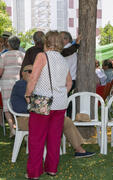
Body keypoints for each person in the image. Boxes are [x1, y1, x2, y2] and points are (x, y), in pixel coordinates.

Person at [11, 65, 94, 159]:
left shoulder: (34, 85)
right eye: (30, 71)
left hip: (36, 117)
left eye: (35, 71)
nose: (33, 74)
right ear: (23, 73)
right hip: (24, 119)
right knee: (61, 120)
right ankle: (54, 153)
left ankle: (78, 150)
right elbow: (38, 102)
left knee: (65, 120)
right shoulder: (21, 85)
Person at [24, 31, 72, 179]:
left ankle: (34, 172)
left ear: (47, 42)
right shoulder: (63, 60)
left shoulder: (42, 56)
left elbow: (33, 78)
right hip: (60, 103)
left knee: (36, 138)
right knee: (54, 138)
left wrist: (28, 95)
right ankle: (52, 169)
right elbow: (69, 83)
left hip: (42, 101)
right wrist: (59, 93)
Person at [0, 36, 24, 138]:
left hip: (6, 83)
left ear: (8, 44)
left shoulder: (3, 56)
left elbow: (0, 72)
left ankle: (12, 129)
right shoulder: (23, 55)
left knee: (6, 107)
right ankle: (20, 128)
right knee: (18, 105)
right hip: (19, 83)